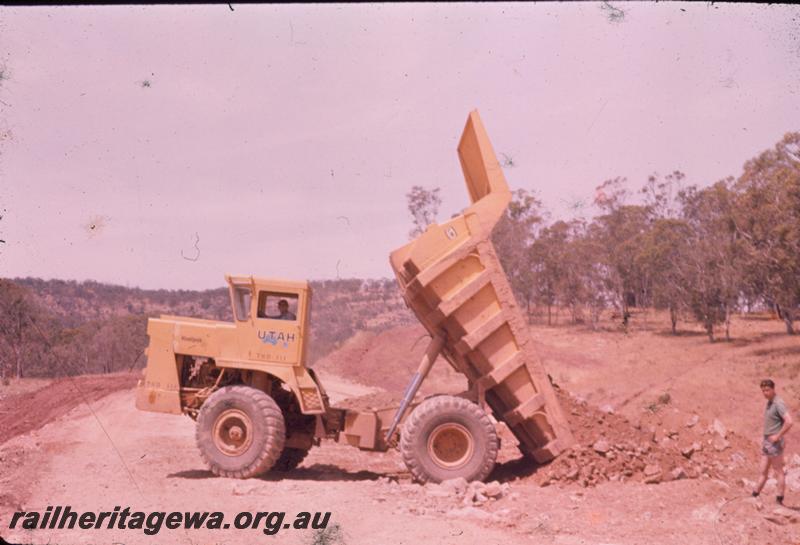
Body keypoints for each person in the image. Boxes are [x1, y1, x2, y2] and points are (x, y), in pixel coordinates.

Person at [752, 379, 793, 505]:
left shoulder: (778, 403)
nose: (765, 393)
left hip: (774, 442)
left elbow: (789, 421)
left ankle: (779, 498)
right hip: (767, 441)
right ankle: (754, 495)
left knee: (778, 470)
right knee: (763, 470)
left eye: (767, 390)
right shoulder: (770, 402)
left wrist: (778, 436)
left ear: (773, 389)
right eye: (763, 391)